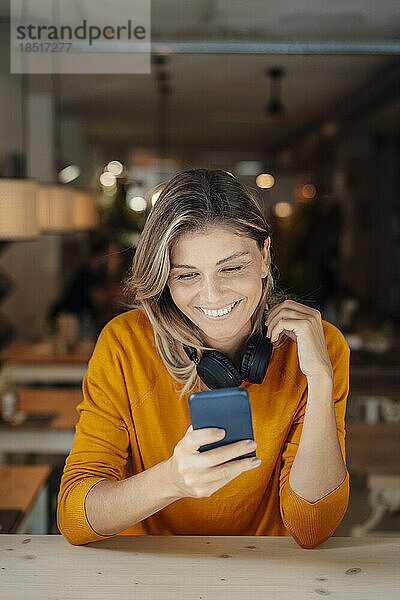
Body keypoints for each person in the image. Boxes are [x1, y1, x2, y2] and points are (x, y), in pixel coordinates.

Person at [57, 169, 350, 548]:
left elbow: (312, 529)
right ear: (164, 278)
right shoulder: (124, 343)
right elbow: (74, 517)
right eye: (186, 276)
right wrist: (172, 481)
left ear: (264, 257)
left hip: (268, 571)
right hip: (146, 570)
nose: (212, 295)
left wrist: (320, 379)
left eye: (232, 268)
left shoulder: (320, 345)